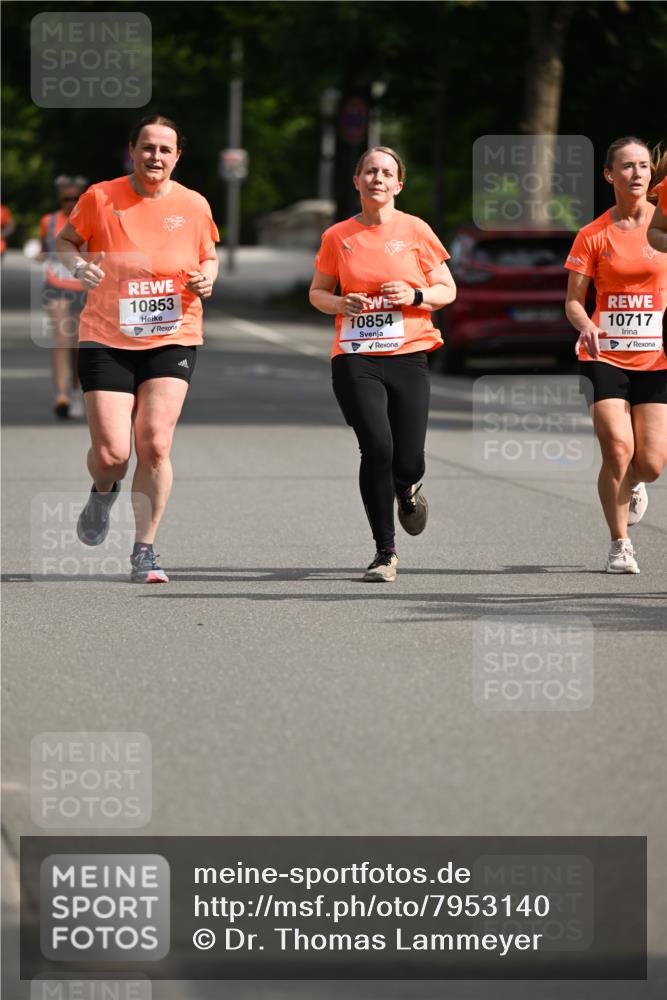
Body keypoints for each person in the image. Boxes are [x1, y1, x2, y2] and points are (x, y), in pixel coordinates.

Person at [55, 115, 219, 583]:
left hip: (174, 333)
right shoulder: (100, 197)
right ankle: (102, 490)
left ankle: (144, 549)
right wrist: (77, 267)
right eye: (148, 148)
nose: (156, 157)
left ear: (177, 156)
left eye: (166, 150)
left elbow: (209, 253)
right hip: (107, 335)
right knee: (112, 454)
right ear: (133, 150)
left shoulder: (194, 204)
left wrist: (210, 275)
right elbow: (66, 241)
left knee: (155, 444)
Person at [309, 146, 456, 582]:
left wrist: (414, 296)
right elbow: (317, 293)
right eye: (369, 171)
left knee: (408, 460)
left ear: (398, 185)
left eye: (386, 173)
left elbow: (446, 288)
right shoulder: (338, 236)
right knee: (377, 448)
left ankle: (407, 490)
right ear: (356, 181)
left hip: (409, 354)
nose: (377, 178)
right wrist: (340, 301)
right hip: (355, 355)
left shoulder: (415, 230)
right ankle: (384, 552)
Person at [565, 136, 667, 574]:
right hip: (602, 356)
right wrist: (586, 324)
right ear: (610, 175)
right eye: (627, 166)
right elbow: (573, 300)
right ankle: (620, 543)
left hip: (656, 357)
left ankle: (636, 485)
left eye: (644, 166)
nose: (638, 174)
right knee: (618, 448)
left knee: (651, 464)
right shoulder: (593, 234)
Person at [40, 175, 88, 418]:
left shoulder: (90, 220)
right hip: (56, 284)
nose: (70, 203)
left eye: (74, 198)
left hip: (83, 287)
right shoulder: (48, 221)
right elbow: (44, 249)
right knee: (62, 338)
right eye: (65, 198)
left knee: (79, 343)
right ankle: (61, 395)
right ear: (59, 199)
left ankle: (77, 389)